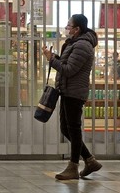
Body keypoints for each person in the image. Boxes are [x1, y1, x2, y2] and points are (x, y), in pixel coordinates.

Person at [42, 14, 102, 180]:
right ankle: (90, 160)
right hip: (68, 90)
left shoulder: (83, 45)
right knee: (66, 129)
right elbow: (68, 64)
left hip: (74, 93)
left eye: (69, 26)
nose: (67, 29)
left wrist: (51, 60)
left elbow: (68, 70)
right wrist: (54, 58)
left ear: (77, 29)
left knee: (73, 130)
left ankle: (73, 166)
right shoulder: (75, 43)